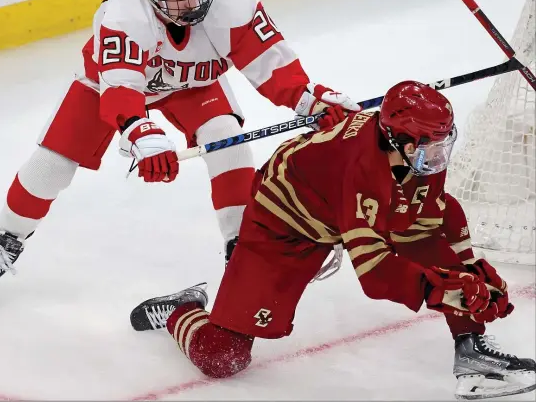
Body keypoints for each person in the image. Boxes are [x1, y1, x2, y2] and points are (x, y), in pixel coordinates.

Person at [0, 0, 360, 291]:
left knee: (227, 137)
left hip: (192, 86)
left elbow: (275, 69)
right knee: (52, 164)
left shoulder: (234, 8)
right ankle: (7, 241)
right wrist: (141, 133)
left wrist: (311, 99)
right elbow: (121, 90)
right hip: (104, 87)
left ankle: (240, 250)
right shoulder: (123, 14)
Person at [129, 81, 535, 400]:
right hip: (284, 223)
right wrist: (442, 292)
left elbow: (437, 219)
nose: (439, 157)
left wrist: (472, 271)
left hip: (337, 207)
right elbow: (375, 274)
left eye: (444, 143)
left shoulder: (418, 153)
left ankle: (472, 352)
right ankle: (180, 309)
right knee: (222, 356)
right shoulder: (360, 170)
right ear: (399, 141)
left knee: (439, 258)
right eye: (430, 146)